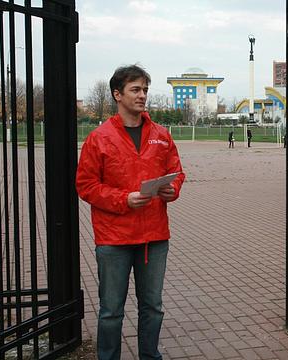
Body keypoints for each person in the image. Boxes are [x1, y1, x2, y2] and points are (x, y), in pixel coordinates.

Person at [76, 64, 185, 360]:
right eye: (135, 90)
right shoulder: (99, 138)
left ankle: (150, 356)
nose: (142, 96)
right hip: (114, 239)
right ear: (117, 94)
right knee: (111, 310)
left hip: (154, 236)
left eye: (145, 90)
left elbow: (176, 172)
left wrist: (172, 189)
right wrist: (124, 199)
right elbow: (86, 186)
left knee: (153, 306)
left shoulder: (161, 135)